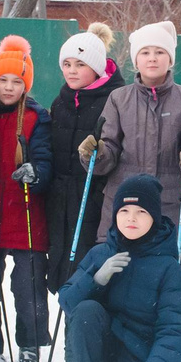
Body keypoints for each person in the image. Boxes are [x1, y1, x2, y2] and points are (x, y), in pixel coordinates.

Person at [93, 19, 181, 362]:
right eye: (145, 52)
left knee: (176, 284)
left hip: (170, 209)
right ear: (135, 59)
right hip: (124, 206)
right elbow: (108, 149)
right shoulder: (119, 98)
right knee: (119, 279)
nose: (152, 58)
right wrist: (94, 155)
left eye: (159, 51)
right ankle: (116, 347)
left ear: (170, 59)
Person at [54, 173, 181, 362]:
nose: (131, 218)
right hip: (103, 347)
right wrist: (97, 279)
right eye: (124, 210)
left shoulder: (168, 268)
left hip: (139, 352)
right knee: (86, 309)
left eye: (141, 211)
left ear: (154, 216)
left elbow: (175, 330)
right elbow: (68, 302)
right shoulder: (101, 254)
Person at [0, 35, 55, 362]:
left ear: (26, 85)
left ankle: (30, 343)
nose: (9, 88)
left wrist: (34, 173)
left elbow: (46, 160)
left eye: (17, 81)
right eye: (3, 80)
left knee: (29, 288)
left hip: (25, 213)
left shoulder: (38, 116)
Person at [43, 22, 121, 293]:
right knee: (62, 268)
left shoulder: (114, 98)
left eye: (80, 64)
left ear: (97, 68)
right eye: (67, 64)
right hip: (61, 198)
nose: (72, 71)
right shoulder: (60, 101)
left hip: (94, 196)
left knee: (88, 271)